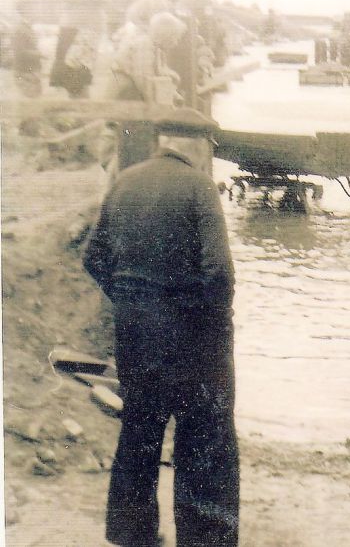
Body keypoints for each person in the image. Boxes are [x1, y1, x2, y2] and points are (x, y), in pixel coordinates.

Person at [83, 131, 239, 547]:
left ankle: (131, 534)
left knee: (138, 431)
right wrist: (216, 330)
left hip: (135, 337)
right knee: (205, 436)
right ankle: (203, 539)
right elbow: (219, 273)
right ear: (200, 147)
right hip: (191, 341)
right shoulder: (200, 188)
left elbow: (92, 256)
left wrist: (131, 302)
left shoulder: (125, 181)